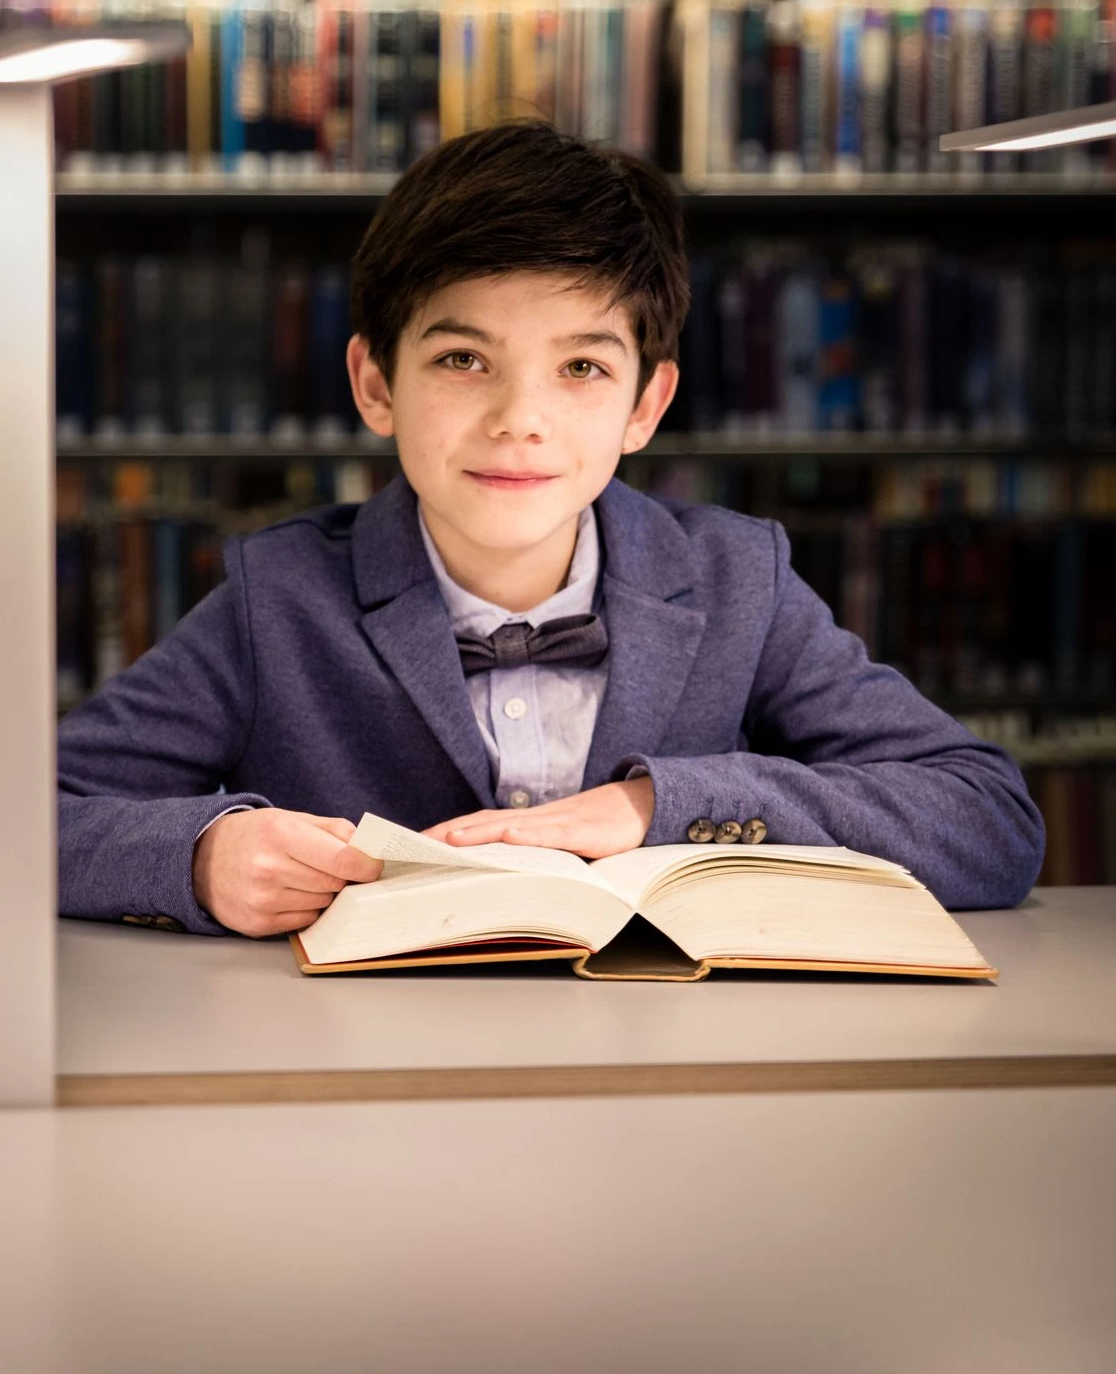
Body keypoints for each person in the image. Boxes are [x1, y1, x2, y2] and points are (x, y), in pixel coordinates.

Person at [57, 121, 1046, 937]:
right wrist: (197, 855)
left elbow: (987, 819)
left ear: (644, 406)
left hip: (669, 1077)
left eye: (580, 369)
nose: (518, 419)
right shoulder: (278, 598)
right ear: (373, 383)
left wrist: (658, 810)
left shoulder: (739, 581)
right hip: (367, 1087)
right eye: (461, 360)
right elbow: (25, 822)